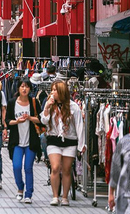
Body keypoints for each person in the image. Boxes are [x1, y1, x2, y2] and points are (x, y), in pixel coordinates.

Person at [40, 79, 85, 207]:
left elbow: (79, 126)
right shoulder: (49, 104)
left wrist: (82, 145)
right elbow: (43, 120)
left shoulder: (73, 106)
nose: (53, 92)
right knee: (55, 167)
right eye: (52, 90)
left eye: (55, 90)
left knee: (66, 169)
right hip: (53, 139)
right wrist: (47, 107)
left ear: (62, 91)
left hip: (70, 140)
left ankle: (65, 197)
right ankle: (55, 196)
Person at [6, 78, 42, 204]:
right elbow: (7, 121)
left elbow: (41, 120)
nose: (24, 89)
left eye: (27, 87)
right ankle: (20, 187)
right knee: (16, 166)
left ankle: (28, 194)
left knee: (28, 167)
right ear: (18, 88)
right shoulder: (12, 103)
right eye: (22, 86)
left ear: (30, 89)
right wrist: (17, 121)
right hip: (16, 141)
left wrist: (30, 118)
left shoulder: (33, 102)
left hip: (31, 141)